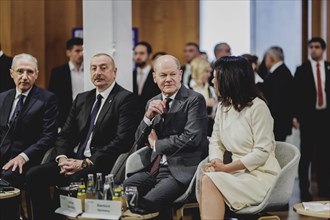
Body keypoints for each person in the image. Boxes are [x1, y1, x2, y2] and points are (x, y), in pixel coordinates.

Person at [26, 53, 139, 219]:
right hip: (72, 160)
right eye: (93, 68)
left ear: (114, 72)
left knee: (77, 178)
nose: (97, 72)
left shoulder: (126, 99)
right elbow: (65, 134)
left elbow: (122, 140)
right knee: (34, 175)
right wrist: (62, 159)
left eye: (103, 68)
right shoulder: (82, 99)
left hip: (100, 164)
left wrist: (85, 162)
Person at [124, 55, 209, 219]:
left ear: (180, 75)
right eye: (163, 75)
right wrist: (147, 117)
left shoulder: (194, 99)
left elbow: (192, 138)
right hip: (154, 169)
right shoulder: (152, 101)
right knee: (125, 189)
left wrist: (157, 145)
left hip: (181, 171)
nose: (168, 79)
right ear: (155, 78)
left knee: (148, 202)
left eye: (172, 74)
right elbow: (138, 140)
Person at [198, 56, 281, 220]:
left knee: (208, 181)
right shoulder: (223, 107)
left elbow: (262, 152)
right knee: (206, 177)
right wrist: (217, 162)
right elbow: (216, 141)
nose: (213, 81)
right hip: (237, 174)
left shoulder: (258, 107)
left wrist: (226, 169)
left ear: (229, 80)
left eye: (216, 77)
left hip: (260, 175)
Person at [0, 53, 58, 189]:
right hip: (3, 156)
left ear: (36, 74)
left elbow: (49, 136)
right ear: (11, 73)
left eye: (30, 72)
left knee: (6, 178)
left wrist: (23, 156)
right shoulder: (2, 98)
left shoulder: (47, 99)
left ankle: (11, 211)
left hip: (27, 160)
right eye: (20, 71)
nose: (25, 77)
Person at [294, 37, 330, 201]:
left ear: (323, 49)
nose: (313, 50)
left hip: (325, 117)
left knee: (324, 154)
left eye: (317, 47)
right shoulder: (301, 70)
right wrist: (295, 116)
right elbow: (295, 96)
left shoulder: (328, 68)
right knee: (306, 155)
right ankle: (304, 190)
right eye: (311, 47)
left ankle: (324, 188)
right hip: (308, 118)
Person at [48, 37, 84, 128]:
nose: (81, 54)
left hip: (85, 114)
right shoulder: (58, 72)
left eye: (83, 50)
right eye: (77, 51)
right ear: (68, 53)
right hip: (65, 117)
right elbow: (53, 98)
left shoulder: (90, 71)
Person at [262, 46, 294, 141]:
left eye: (266, 57)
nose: (265, 61)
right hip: (278, 121)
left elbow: (277, 100)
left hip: (278, 122)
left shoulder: (280, 73)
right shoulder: (280, 71)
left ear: (270, 57)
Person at [190, 57, 217, 136]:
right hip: (192, 129)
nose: (209, 75)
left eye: (210, 72)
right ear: (198, 71)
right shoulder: (187, 88)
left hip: (209, 129)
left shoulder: (211, 89)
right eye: (206, 71)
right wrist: (204, 103)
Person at [133, 41, 160, 120]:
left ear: (150, 55)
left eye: (141, 53)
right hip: (133, 121)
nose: (138, 56)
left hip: (152, 119)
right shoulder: (130, 76)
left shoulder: (157, 76)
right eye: (135, 53)